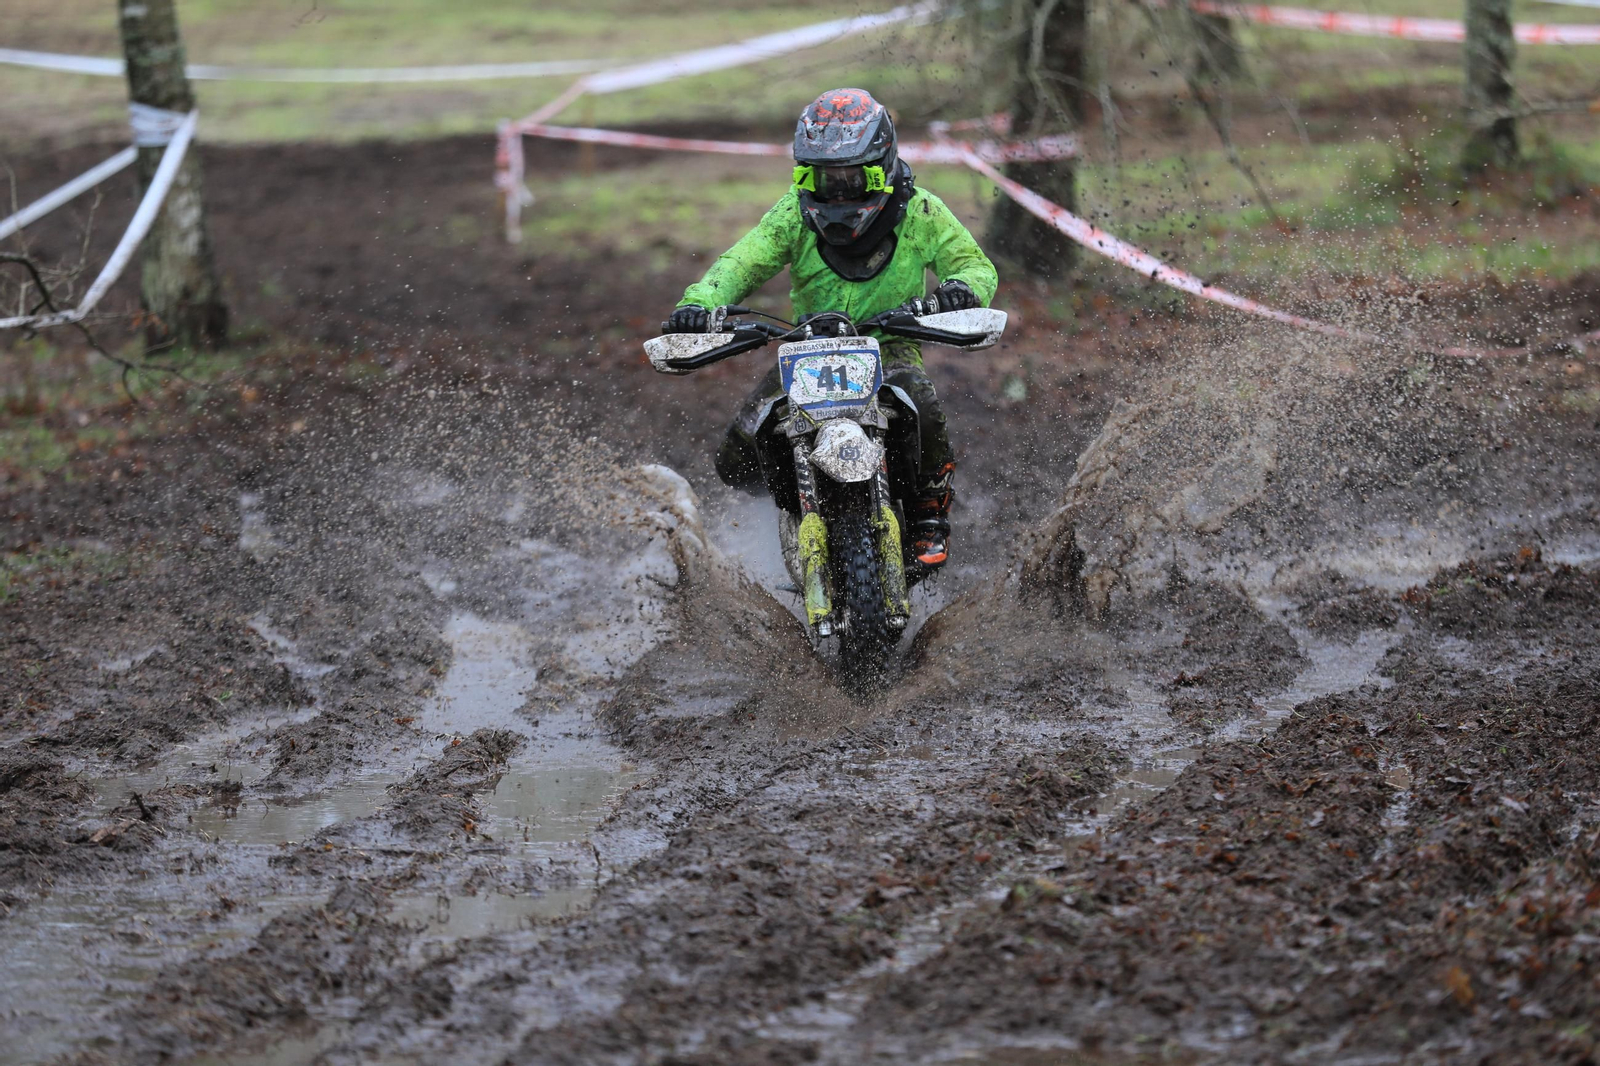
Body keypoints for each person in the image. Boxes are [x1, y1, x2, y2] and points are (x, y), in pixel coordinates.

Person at [664, 88, 998, 572]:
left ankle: (929, 509)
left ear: (881, 165)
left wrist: (961, 290)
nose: (838, 191)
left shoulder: (921, 212)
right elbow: (740, 262)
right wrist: (700, 303)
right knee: (737, 453)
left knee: (919, 401)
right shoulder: (791, 216)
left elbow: (974, 265)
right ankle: (793, 503)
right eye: (826, 179)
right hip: (807, 352)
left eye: (851, 177)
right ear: (805, 175)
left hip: (890, 348)